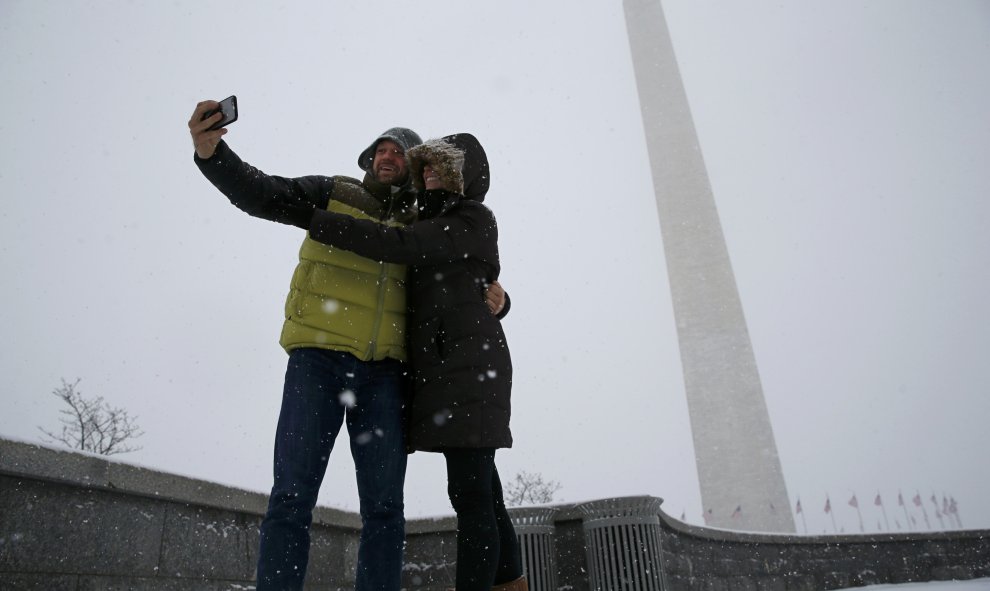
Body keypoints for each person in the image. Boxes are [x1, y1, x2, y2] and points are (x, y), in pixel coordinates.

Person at [186, 101, 507, 591]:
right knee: (292, 495)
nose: (387, 155)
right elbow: (264, 193)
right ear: (367, 158)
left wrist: (502, 300)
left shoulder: (422, 222)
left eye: (400, 151)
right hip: (317, 360)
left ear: (416, 169)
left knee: (384, 508)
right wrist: (213, 155)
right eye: (379, 148)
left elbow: (462, 281)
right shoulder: (332, 193)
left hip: (383, 376)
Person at [270, 133, 526, 591]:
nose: (428, 172)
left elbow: (400, 245)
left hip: (468, 369)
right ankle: (512, 583)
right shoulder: (432, 217)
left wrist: (314, 219)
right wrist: (501, 300)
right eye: (424, 165)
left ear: (463, 175)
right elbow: (467, 281)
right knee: (484, 490)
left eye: (440, 167)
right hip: (444, 372)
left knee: (470, 494)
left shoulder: (468, 216)